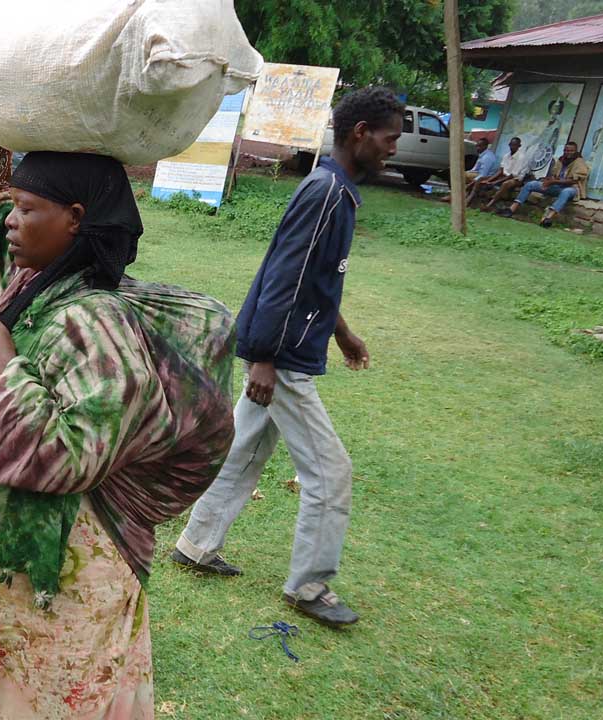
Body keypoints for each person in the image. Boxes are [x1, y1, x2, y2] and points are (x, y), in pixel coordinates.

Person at [0, 142, 236, 718]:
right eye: (12, 207)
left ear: (75, 218)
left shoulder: (95, 321)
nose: (11, 222)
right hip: (15, 570)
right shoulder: (34, 290)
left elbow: (72, 456)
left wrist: (6, 369)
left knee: (50, 698)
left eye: (27, 210)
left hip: (69, 573)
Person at [170, 87, 403, 629]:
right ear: (360, 133)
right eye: (389, 138)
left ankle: (197, 544)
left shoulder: (334, 191)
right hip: (283, 359)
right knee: (330, 472)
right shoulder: (326, 192)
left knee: (244, 451)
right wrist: (264, 361)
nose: (393, 147)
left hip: (286, 348)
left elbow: (315, 280)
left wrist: (342, 332)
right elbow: (283, 277)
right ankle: (309, 586)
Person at [497, 141, 589, 228]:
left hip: (571, 188)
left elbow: (573, 181)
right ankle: (511, 209)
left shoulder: (579, 162)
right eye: (566, 150)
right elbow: (554, 175)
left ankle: (548, 218)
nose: (568, 152)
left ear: (575, 151)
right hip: (556, 187)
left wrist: (553, 182)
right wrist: (547, 180)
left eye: (571, 150)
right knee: (531, 184)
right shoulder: (561, 160)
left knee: (566, 191)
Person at [442, 137, 497, 203]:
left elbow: (483, 174)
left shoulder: (487, 157)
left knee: (459, 176)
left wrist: (471, 183)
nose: (477, 148)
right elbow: (474, 169)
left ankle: (454, 197)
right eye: (477, 146)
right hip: (477, 174)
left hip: (486, 178)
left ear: (485, 146)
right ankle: (455, 196)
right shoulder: (483, 155)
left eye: (480, 146)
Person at [480, 137, 530, 210]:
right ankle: (469, 199)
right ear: (509, 144)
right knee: (481, 179)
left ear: (519, 146)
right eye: (511, 145)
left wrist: (494, 182)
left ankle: (489, 205)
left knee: (505, 184)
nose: (512, 147)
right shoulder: (506, 155)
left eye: (515, 145)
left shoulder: (521, 157)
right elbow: (501, 171)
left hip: (517, 179)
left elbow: (513, 175)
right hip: (505, 176)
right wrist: (489, 180)